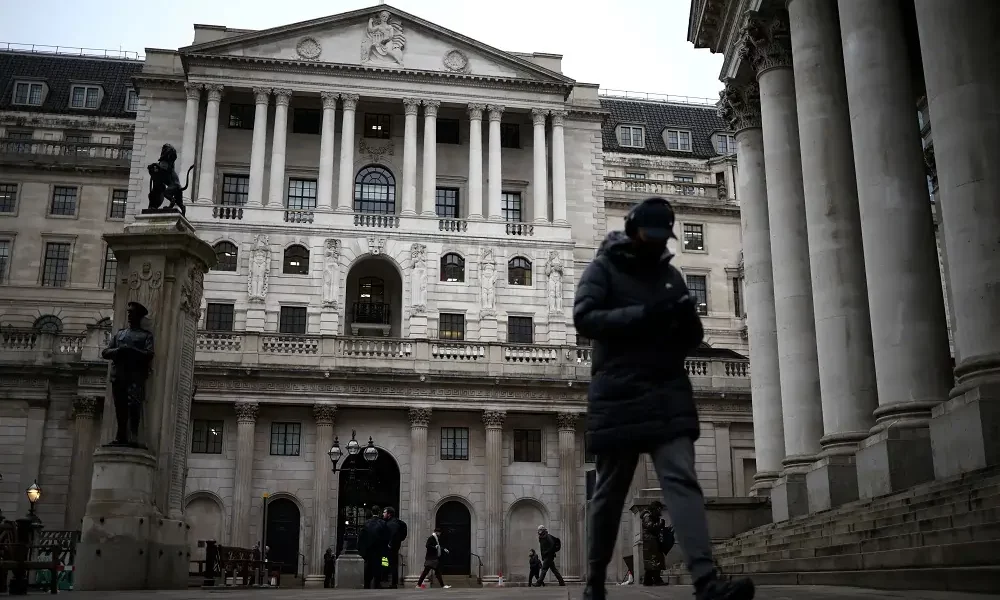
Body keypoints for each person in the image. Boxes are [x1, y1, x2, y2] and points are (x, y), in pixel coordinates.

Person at [574, 197, 755, 600]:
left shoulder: (671, 276)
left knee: (682, 482)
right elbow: (584, 318)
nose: (656, 244)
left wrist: (685, 318)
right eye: (650, 237)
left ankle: (706, 582)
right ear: (633, 230)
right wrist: (640, 315)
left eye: (661, 239)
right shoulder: (603, 269)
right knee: (609, 492)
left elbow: (691, 338)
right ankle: (594, 583)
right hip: (619, 390)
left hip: (667, 388)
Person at [358, 505, 390, 589]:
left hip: (368, 550)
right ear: (379, 512)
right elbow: (386, 537)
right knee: (379, 567)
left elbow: (361, 537)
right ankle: (377, 583)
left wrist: (362, 550)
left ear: (372, 512)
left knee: (368, 566)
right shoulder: (383, 523)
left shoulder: (366, 523)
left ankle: (367, 584)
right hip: (379, 550)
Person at [383, 506, 408, 588]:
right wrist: (400, 539)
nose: (383, 514)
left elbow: (393, 533)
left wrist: (390, 543)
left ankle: (390, 582)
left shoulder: (391, 523)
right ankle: (391, 582)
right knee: (392, 563)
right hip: (395, 546)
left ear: (389, 514)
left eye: (384, 512)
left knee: (390, 564)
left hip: (390, 547)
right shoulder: (397, 521)